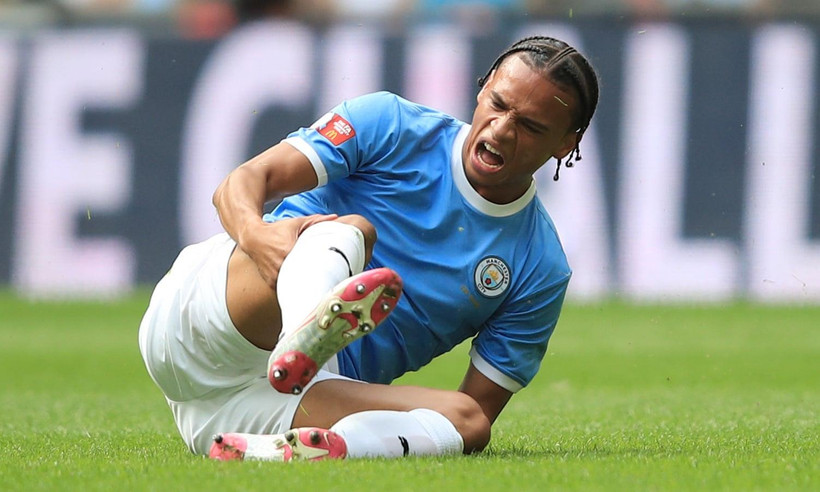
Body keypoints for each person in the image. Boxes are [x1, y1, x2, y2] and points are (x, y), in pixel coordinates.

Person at [138, 35, 599, 461]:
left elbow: (473, 409)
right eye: (498, 104)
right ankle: (302, 332)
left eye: (532, 127)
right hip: (205, 320)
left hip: (269, 405)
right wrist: (259, 240)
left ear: (566, 143)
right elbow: (240, 184)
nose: (500, 130)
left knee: (469, 422)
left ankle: (302, 450)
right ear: (482, 89)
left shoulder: (540, 266)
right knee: (351, 231)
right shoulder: (391, 125)